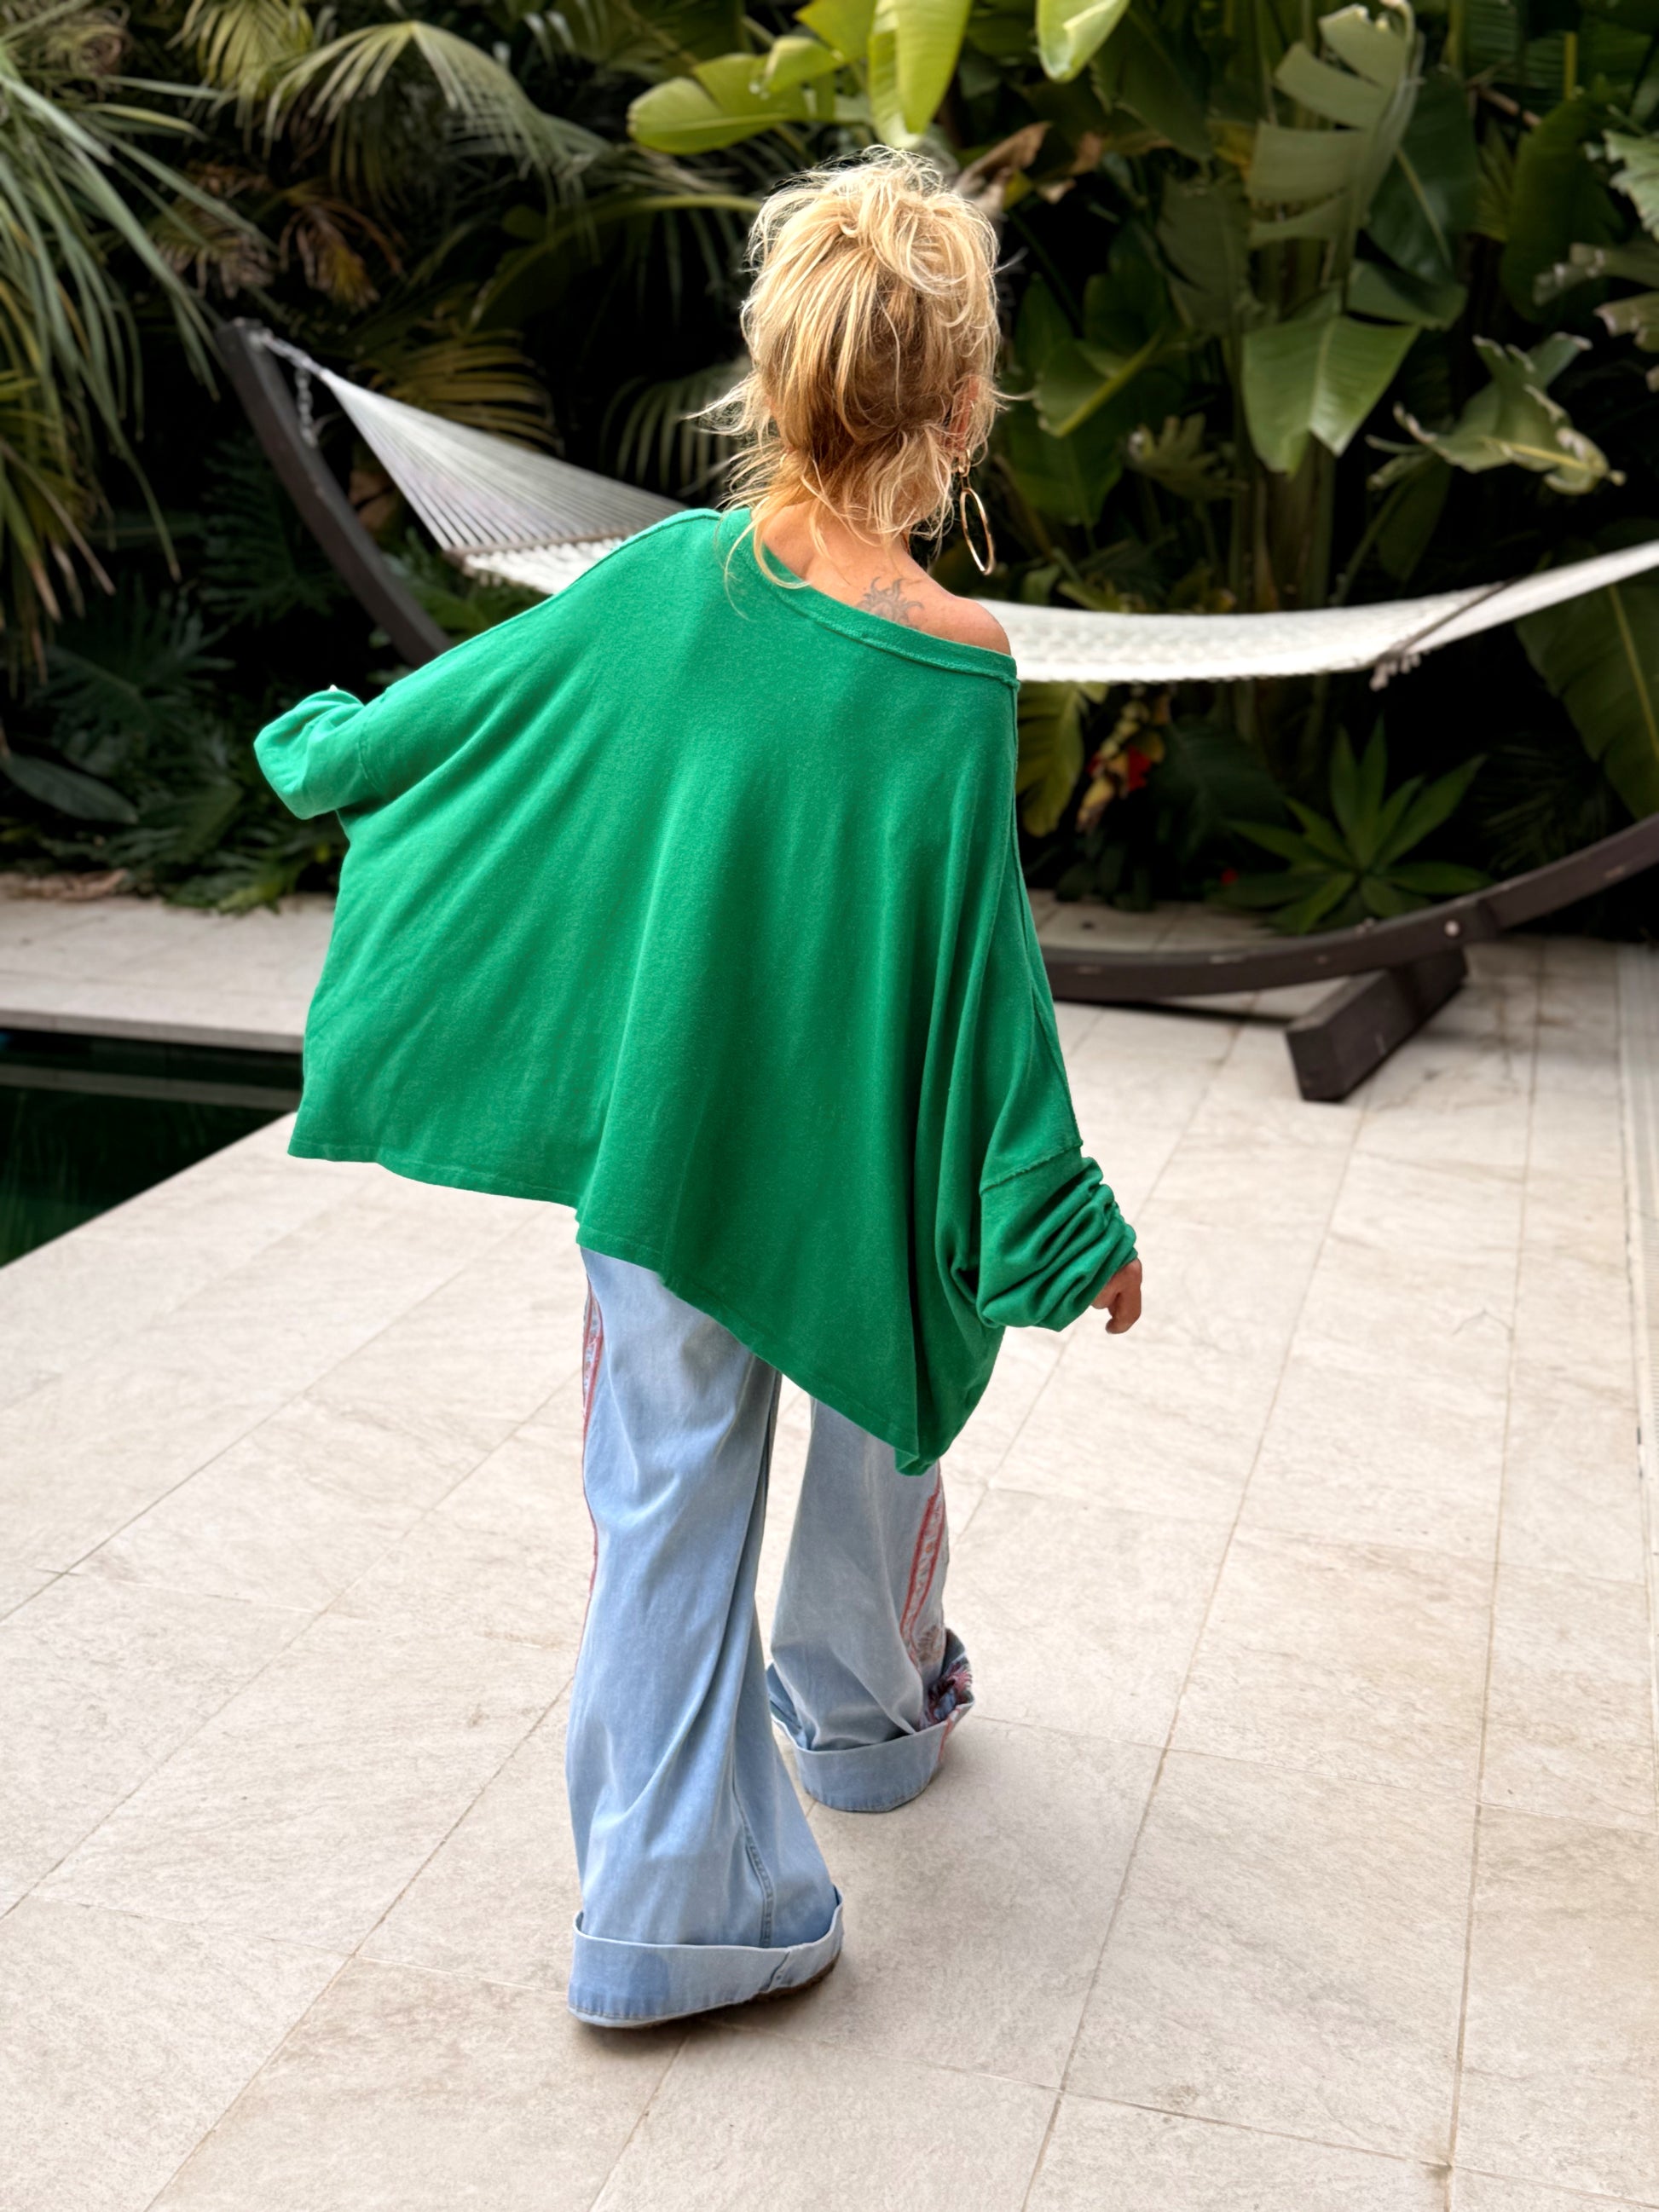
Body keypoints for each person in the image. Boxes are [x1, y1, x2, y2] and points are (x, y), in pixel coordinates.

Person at [254, 148, 1142, 2034]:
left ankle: (663, 1910)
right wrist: (1057, 1222)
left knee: (665, 1496)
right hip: (853, 1155)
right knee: (892, 1373)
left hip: (669, 1148)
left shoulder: (659, 579)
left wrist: (330, 753)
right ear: (962, 410)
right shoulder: (958, 666)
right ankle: (868, 1717)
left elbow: (459, 717)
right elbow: (985, 980)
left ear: (774, 376)